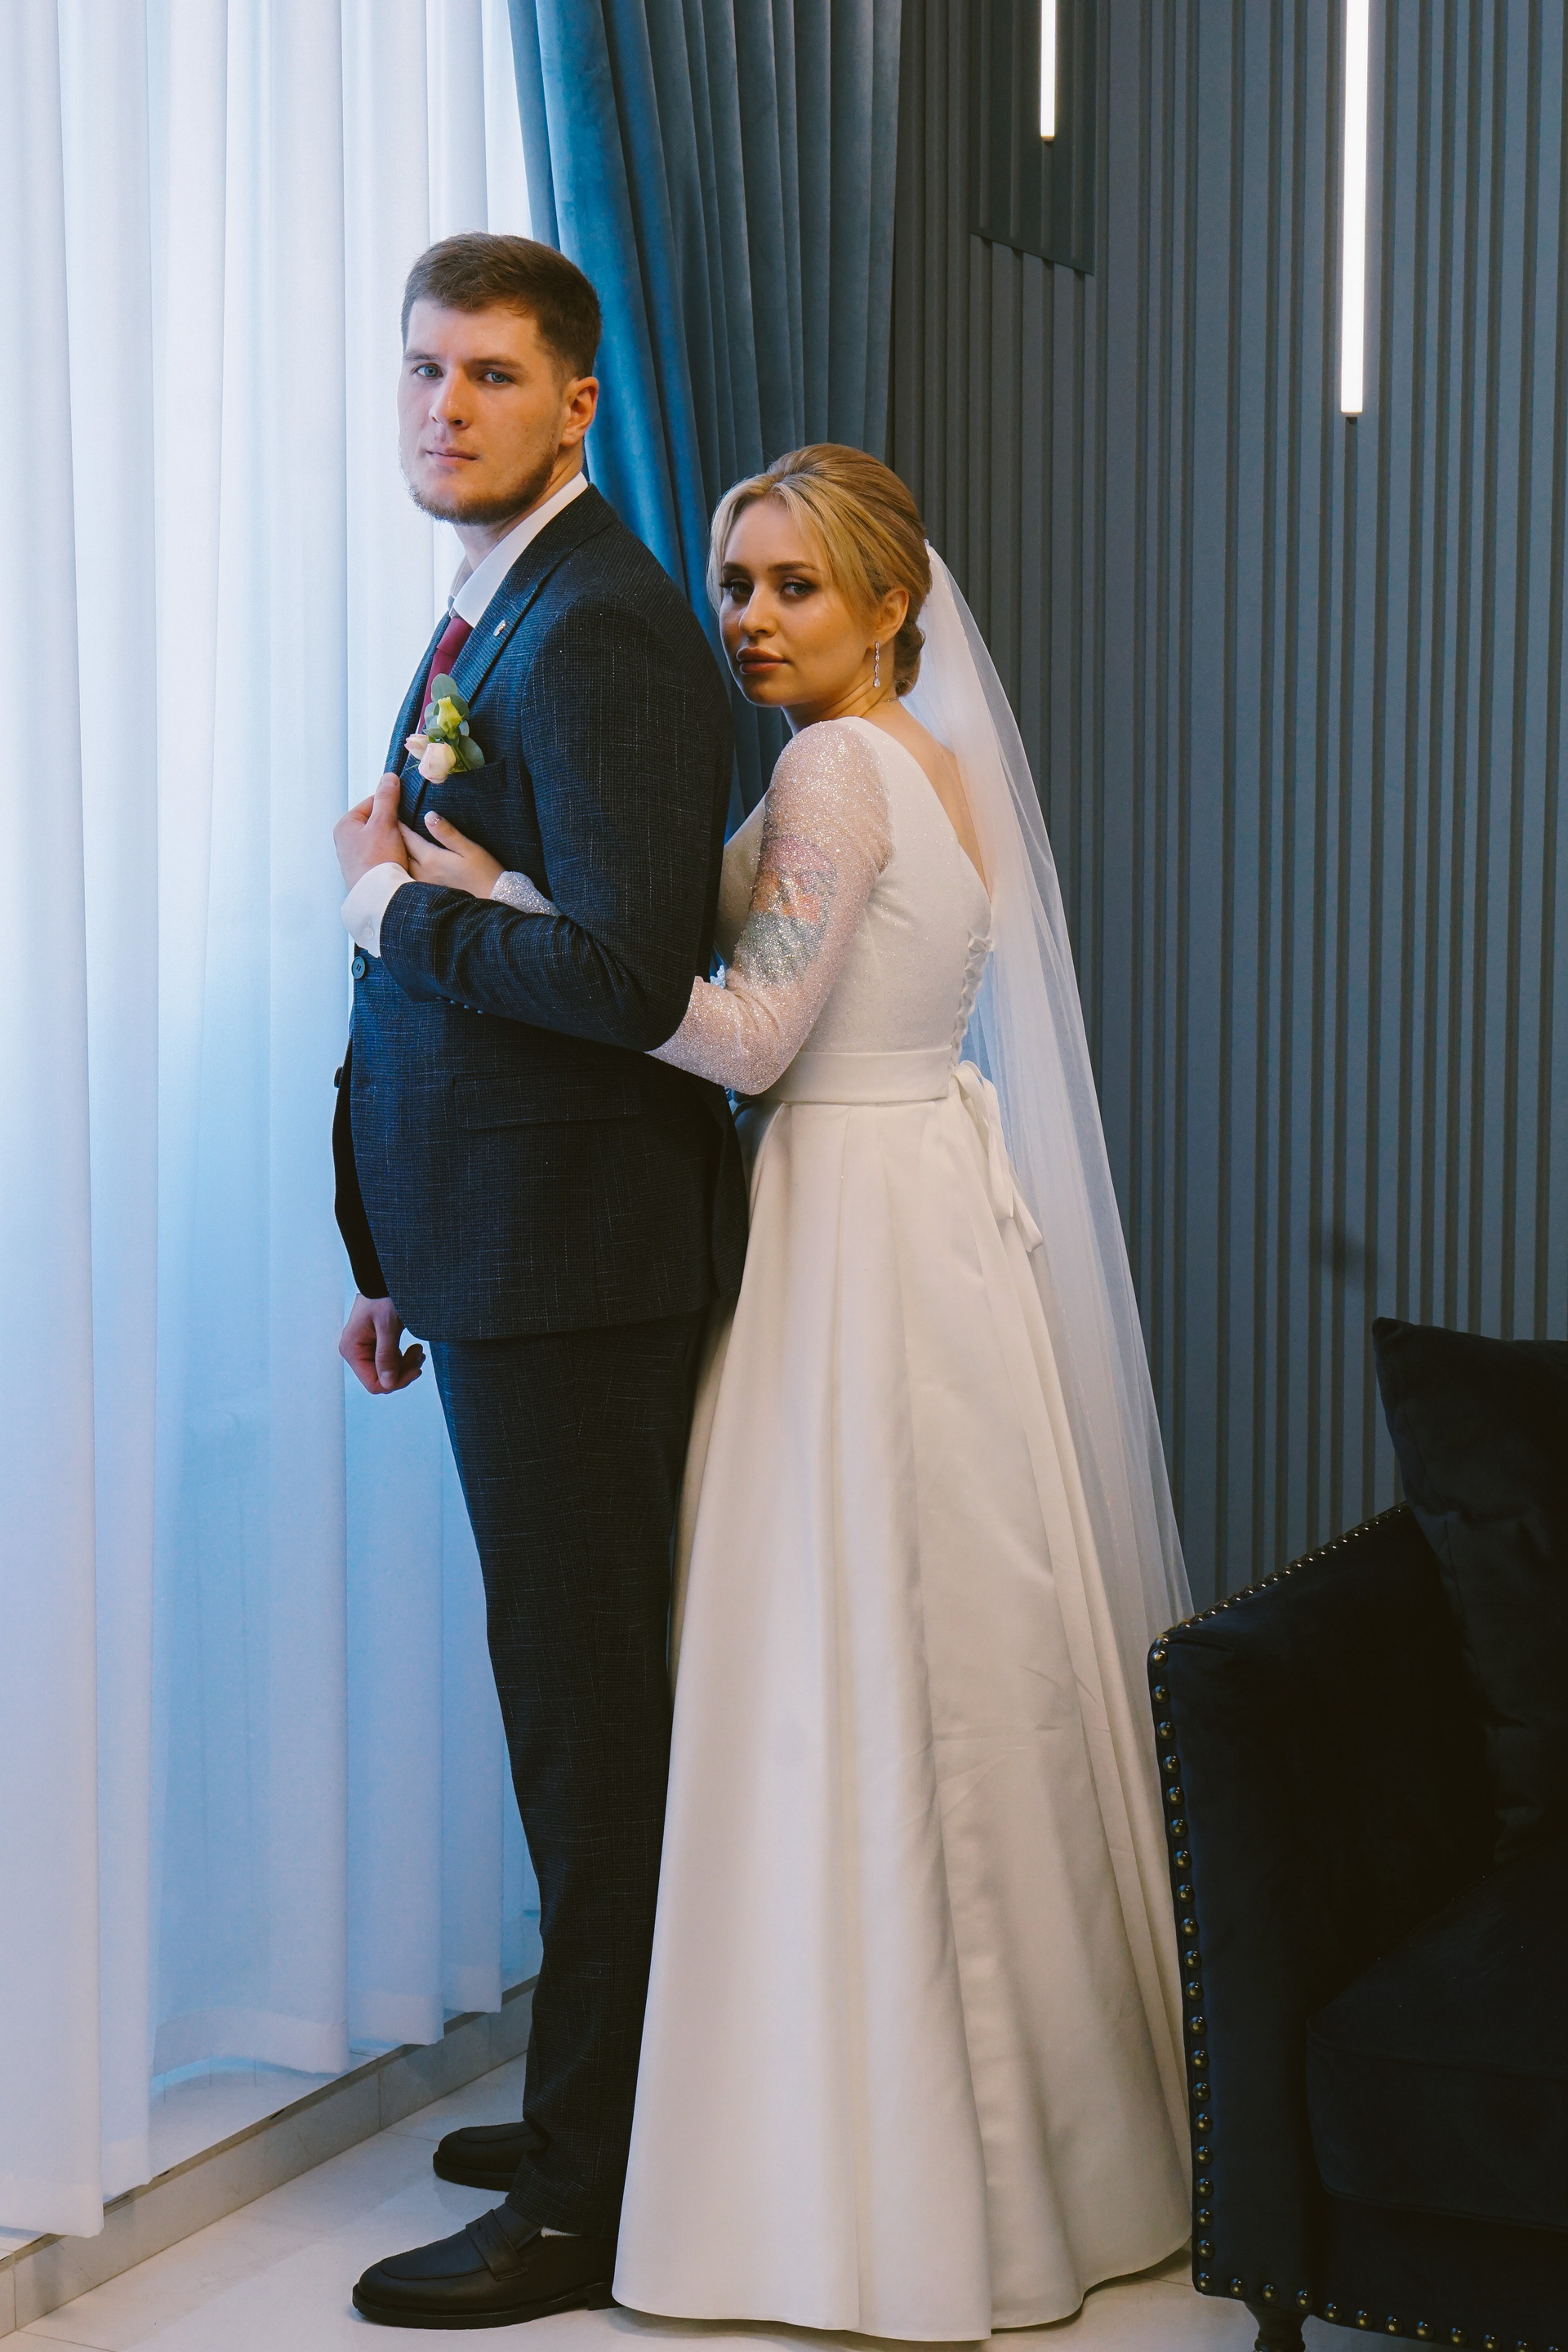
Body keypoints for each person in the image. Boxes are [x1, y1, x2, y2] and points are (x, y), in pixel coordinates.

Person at [421, 444, 1195, 2335]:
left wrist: (494, 909)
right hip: (920, 1199)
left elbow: (754, 1033)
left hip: (852, 1210)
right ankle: (986, 2128)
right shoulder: (917, 762)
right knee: (933, 1663)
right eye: (737, 583)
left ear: (889, 605)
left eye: (796, 588)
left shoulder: (838, 770)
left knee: (836, 1656)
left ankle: (848, 2142)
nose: (753, 621)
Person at [332, 234, 744, 2332]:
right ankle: (609, 2094)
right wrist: (393, 1249)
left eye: (490, 375)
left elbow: (627, 977)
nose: (444, 407)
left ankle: (588, 2194)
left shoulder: (597, 630)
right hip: (498, 1247)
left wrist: (387, 913)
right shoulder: (500, 601)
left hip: (582, 1266)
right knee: (565, 1713)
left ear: (577, 402)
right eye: (423, 369)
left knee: (592, 1732)